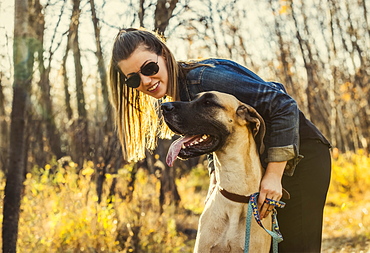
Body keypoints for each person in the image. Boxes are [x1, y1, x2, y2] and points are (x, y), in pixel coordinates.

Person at [108, 27, 332, 253]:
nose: (146, 81)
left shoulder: (205, 79)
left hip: (303, 157)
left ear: (164, 55)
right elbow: (218, 136)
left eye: (149, 68)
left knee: (296, 248)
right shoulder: (184, 92)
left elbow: (283, 104)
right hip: (265, 166)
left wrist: (274, 175)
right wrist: (215, 178)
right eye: (134, 79)